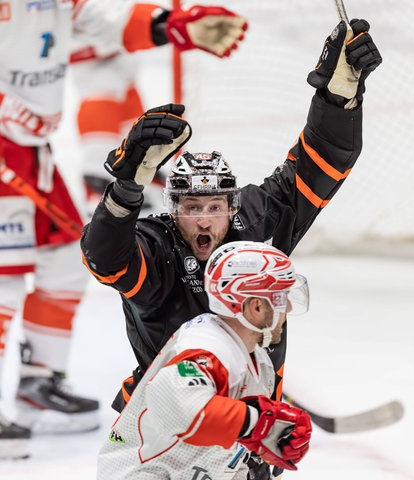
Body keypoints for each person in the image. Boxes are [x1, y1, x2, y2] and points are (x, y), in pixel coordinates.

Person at [81, 17, 381, 479]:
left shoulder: (255, 222)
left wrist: (339, 96)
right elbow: (105, 258)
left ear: (232, 204)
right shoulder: (157, 245)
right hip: (175, 426)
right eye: (191, 206)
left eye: (214, 205)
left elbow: (322, 162)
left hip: (248, 435)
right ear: (172, 207)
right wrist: (125, 189)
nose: (203, 218)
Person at [0, 0, 247, 460]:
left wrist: (175, 26)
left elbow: (105, 25)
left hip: (31, 152)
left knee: (63, 265)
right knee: (4, 280)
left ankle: (40, 383)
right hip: (5, 143)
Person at [97, 240, 312, 480]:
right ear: (257, 306)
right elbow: (181, 408)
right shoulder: (206, 345)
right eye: (281, 298)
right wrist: (257, 422)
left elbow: (218, 444)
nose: (289, 306)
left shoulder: (257, 361)